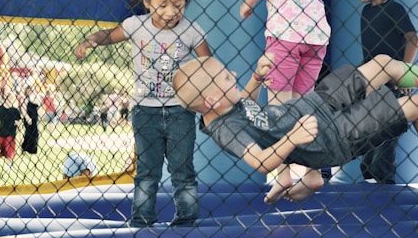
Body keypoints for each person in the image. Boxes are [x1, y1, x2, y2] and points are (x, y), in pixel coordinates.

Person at [173, 53, 418, 204]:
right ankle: (311, 173)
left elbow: (245, 105)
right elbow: (261, 162)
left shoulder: (225, 106)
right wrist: (292, 137)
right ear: (212, 101)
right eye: (226, 77)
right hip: (334, 136)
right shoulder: (225, 131)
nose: (233, 73)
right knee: (412, 105)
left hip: (317, 102)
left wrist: (256, 79)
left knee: (383, 63)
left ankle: (311, 175)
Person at [74, 0, 212, 227]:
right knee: (147, 171)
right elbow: (109, 35)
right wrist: (91, 40)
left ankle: (186, 218)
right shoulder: (136, 25)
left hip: (179, 110)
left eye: (179, 6)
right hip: (144, 110)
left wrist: (205, 90)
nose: (171, 12)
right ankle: (142, 218)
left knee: (182, 169)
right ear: (148, 3)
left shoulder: (192, 30)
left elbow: (208, 63)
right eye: (163, 5)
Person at [239, 0, 331, 191]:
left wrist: (250, 1)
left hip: (285, 35)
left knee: (278, 108)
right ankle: (313, 169)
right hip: (316, 36)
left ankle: (282, 174)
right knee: (303, 107)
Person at [343, 0, 418, 184]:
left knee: (387, 133)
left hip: (393, 84)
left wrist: (404, 74)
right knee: (370, 131)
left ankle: (384, 181)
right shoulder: (366, 12)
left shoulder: (393, 9)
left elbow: (412, 39)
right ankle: (369, 175)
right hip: (373, 84)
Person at [0, 91, 23, 171]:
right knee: (4, 151)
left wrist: (20, 132)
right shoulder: (0, 109)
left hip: (11, 133)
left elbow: (19, 122)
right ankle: (8, 163)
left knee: (9, 150)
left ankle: (8, 166)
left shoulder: (15, 110)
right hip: (2, 133)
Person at [20, 84, 41, 154]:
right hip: (28, 118)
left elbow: (39, 108)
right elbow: (23, 109)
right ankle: (24, 147)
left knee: (35, 133)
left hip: (35, 118)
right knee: (28, 133)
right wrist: (27, 118)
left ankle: (33, 149)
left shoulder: (36, 97)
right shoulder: (25, 99)